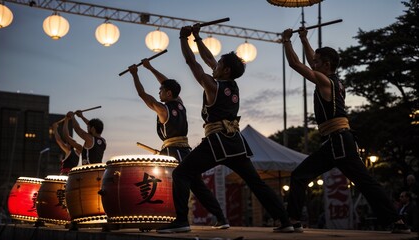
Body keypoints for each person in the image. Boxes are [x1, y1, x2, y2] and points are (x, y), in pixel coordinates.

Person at [156, 25, 293, 234]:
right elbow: (209, 59)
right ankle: (285, 221)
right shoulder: (231, 86)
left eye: (219, 64)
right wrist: (198, 38)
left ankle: (181, 220)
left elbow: (191, 61)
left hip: (216, 141)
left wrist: (183, 38)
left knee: (182, 173)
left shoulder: (213, 86)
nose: (214, 64)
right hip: (235, 142)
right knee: (256, 183)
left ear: (226, 70)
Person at [281, 27, 411, 234]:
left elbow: (295, 64)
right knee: (301, 175)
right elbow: (311, 58)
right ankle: (293, 220)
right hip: (336, 142)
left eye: (316, 61)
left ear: (327, 64)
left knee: (364, 181)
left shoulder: (325, 81)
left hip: (339, 141)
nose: (312, 63)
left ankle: (397, 221)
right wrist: (304, 39)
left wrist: (286, 41)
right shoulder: (335, 82)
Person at [128, 59, 229, 230]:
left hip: (172, 152)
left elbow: (143, 95)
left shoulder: (163, 109)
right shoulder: (180, 104)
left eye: (161, 91)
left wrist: (135, 74)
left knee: (170, 186)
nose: (159, 92)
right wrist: (150, 67)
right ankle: (221, 218)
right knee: (197, 185)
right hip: (187, 151)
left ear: (168, 94)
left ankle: (179, 220)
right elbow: (167, 84)